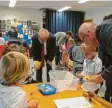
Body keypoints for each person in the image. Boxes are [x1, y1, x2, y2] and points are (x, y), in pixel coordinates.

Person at [78, 17, 112, 102]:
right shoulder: (102, 34)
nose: (86, 44)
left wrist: (102, 76)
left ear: (88, 35)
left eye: (84, 41)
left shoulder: (106, 33)